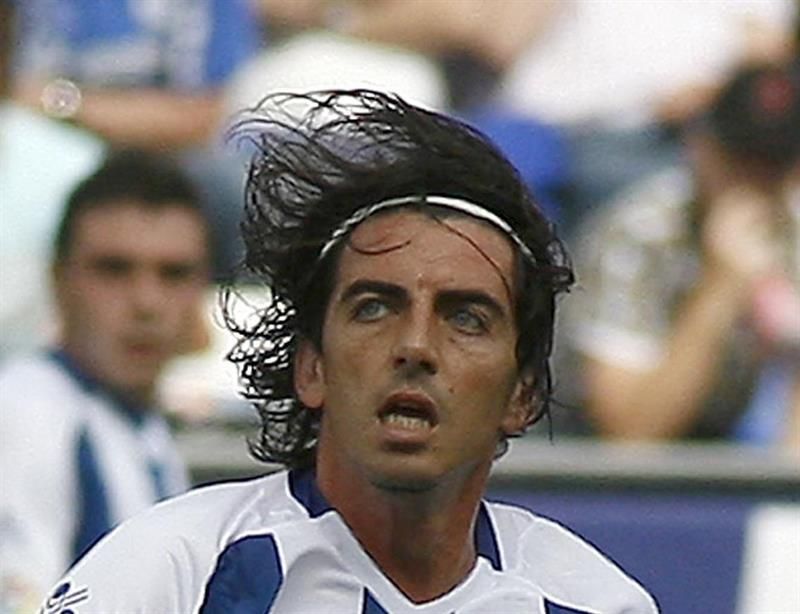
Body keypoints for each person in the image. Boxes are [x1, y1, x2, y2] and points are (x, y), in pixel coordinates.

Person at [38, 90, 658, 613]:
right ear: (311, 367)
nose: (415, 346)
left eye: (466, 318)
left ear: (522, 394)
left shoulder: (594, 602)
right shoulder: (173, 572)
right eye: (374, 308)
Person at [0, 149, 212, 612]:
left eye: (173, 274)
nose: (146, 303)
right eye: (114, 270)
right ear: (59, 280)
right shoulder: (25, 413)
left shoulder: (140, 425)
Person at [559, 61, 800, 446]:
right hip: (598, 461)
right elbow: (633, 436)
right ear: (701, 147)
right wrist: (721, 287)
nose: (752, 182)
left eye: (772, 165)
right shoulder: (637, 235)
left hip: (742, 457)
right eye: (739, 160)